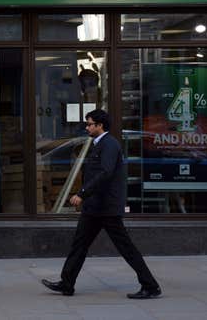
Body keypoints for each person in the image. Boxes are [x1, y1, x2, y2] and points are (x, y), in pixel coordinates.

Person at [42, 109, 161, 299]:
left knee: (126, 248)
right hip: (94, 208)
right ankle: (67, 283)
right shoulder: (99, 144)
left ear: (100, 125)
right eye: (87, 124)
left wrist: (82, 193)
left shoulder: (109, 145)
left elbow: (105, 173)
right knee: (79, 244)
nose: (87, 127)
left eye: (90, 124)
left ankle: (151, 286)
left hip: (106, 208)